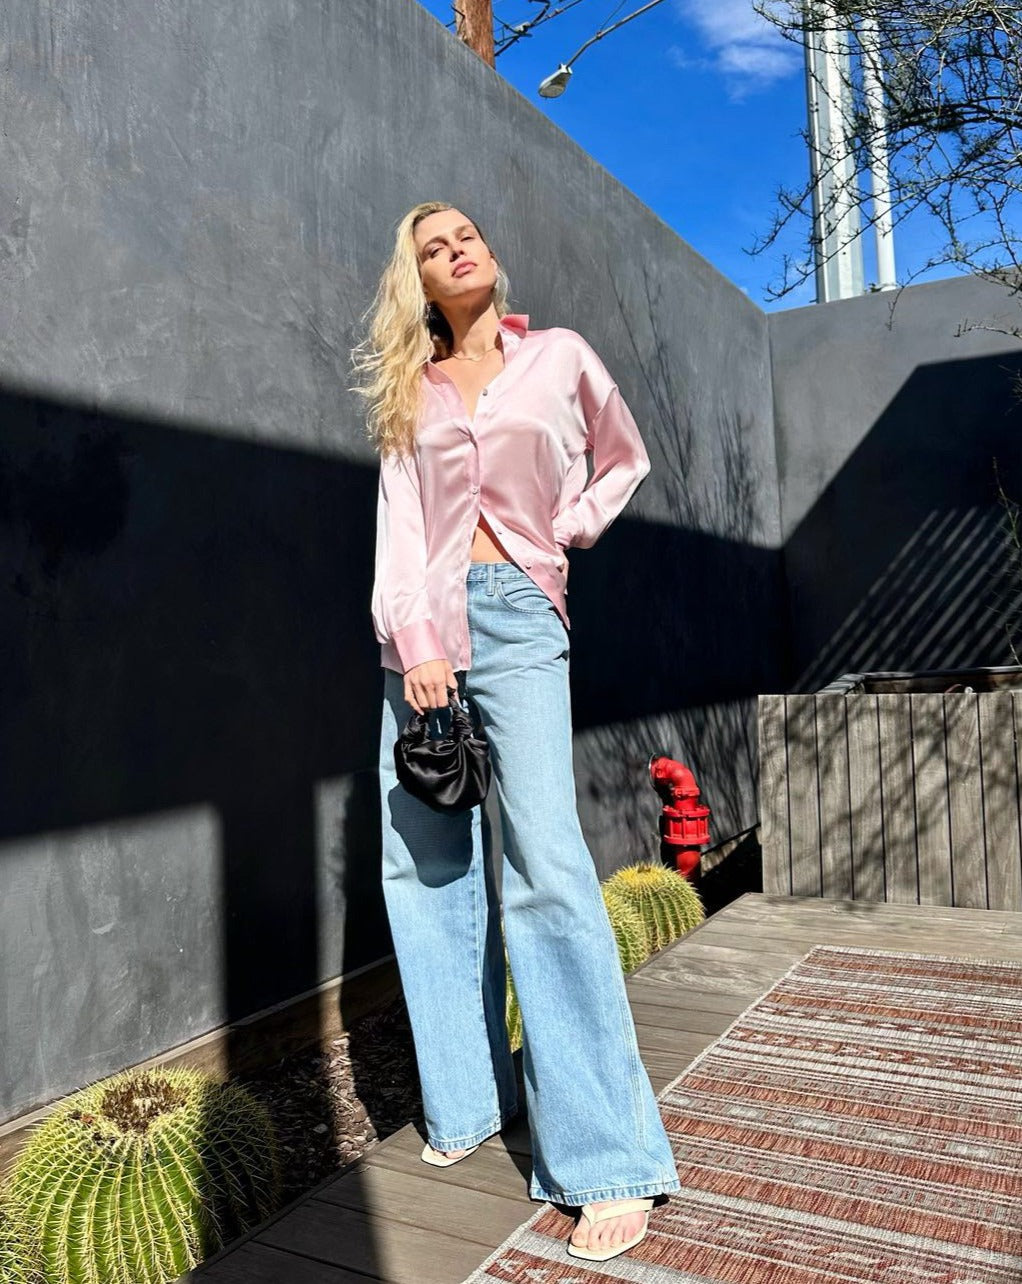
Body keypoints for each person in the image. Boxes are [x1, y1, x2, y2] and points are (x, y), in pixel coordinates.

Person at [348, 201, 681, 1262]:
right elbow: (400, 530)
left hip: (521, 613)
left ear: (490, 254)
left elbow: (621, 458)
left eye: (465, 233)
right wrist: (417, 641)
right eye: (431, 246)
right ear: (417, 281)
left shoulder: (560, 359)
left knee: (545, 867)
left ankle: (604, 1161)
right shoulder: (411, 388)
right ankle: (466, 1103)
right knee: (428, 864)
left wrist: (562, 534)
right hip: (425, 637)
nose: (457, 247)